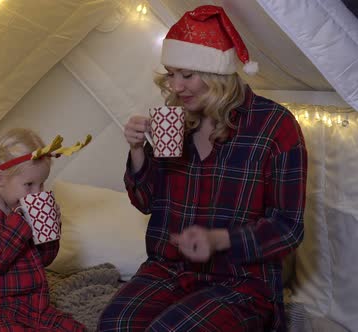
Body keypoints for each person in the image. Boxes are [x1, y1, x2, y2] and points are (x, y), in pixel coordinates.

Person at [98, 5, 307, 332]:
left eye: (187, 75)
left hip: (240, 280)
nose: (176, 87)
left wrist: (220, 239)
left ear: (217, 74)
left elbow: (288, 228)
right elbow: (146, 202)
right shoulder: (176, 120)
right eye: (171, 73)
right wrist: (137, 150)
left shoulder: (275, 126)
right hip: (168, 269)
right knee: (114, 324)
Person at [0, 128, 86, 331]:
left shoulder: (24, 210)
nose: (37, 193)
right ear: (0, 179)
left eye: (42, 184)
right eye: (29, 184)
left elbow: (44, 260)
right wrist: (19, 227)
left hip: (33, 307)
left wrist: (51, 228)